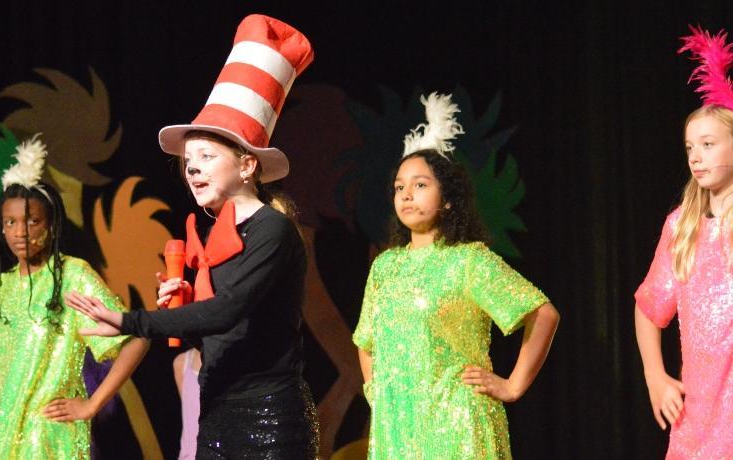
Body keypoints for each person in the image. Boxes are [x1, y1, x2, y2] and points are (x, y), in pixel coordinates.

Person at [65, 14, 321, 458]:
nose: (193, 167)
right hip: (215, 410)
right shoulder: (212, 235)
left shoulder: (273, 230)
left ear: (247, 166)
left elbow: (227, 312)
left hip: (270, 419)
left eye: (206, 155)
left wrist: (130, 320)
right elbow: (221, 329)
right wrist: (182, 305)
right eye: (188, 161)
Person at [352, 93, 559, 459]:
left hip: (458, 425)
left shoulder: (468, 261)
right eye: (400, 187)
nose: (406, 195)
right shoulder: (385, 266)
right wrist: (377, 392)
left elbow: (543, 314)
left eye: (420, 185)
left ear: (447, 198)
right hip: (397, 428)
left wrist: (512, 386)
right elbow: (365, 339)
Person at [0, 135, 148, 459]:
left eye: (32, 221)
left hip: (50, 437)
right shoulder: (0, 287)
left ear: (51, 226)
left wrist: (93, 404)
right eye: (11, 222)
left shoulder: (72, 275)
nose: (21, 232)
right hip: (3, 440)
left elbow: (136, 338)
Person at [634, 26, 733, 459]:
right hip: (701, 417)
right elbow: (648, 307)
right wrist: (656, 376)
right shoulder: (682, 227)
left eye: (708, 144)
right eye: (690, 146)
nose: (695, 156)